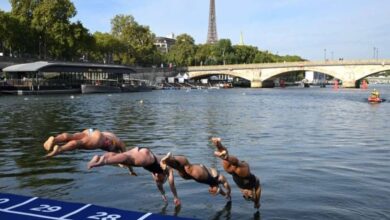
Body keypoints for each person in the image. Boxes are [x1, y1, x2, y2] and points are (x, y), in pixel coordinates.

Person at [87, 147, 181, 206]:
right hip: (147, 157)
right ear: (164, 177)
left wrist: (163, 195)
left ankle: (100, 157)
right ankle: (102, 162)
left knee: (124, 157)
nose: (157, 177)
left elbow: (159, 186)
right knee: (127, 159)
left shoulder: (156, 174)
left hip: (140, 151)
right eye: (159, 179)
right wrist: (176, 197)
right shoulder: (168, 170)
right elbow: (171, 184)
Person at [43, 128, 136, 175]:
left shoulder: (115, 138)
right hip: (100, 140)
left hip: (92, 131)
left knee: (72, 136)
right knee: (78, 144)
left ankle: (54, 139)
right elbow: (126, 158)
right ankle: (59, 149)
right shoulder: (121, 146)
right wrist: (130, 171)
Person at [211, 137, 261, 209]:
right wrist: (257, 202)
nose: (246, 194)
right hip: (244, 173)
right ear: (253, 193)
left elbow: (241, 190)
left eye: (244, 196)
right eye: (249, 196)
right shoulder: (254, 184)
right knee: (237, 163)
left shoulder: (241, 188)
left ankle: (217, 143)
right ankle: (226, 157)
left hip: (232, 172)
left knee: (226, 160)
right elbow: (258, 188)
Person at [160, 152, 231, 201]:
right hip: (202, 174)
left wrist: (227, 195)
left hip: (194, 176)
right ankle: (170, 159)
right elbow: (226, 185)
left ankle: (168, 161)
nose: (210, 190)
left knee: (181, 169)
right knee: (187, 167)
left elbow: (223, 191)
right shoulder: (219, 178)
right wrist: (228, 192)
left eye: (211, 191)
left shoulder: (215, 183)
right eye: (212, 190)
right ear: (217, 187)